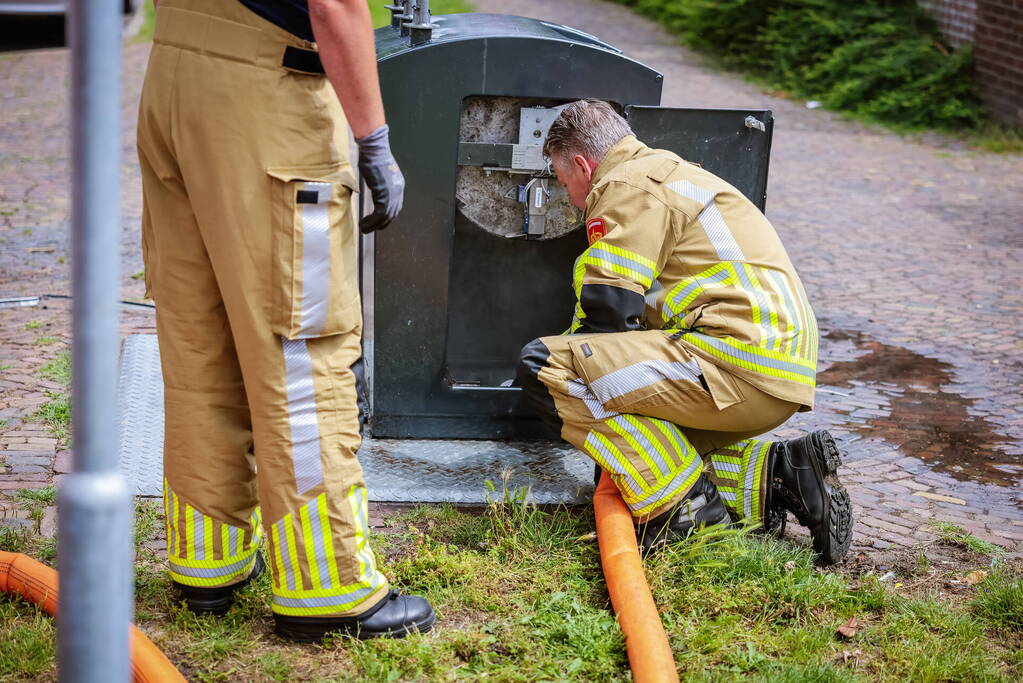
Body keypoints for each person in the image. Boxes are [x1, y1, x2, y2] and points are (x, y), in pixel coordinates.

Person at [136, 0, 434, 641]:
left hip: (173, 77)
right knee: (302, 344)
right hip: (267, 97)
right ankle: (326, 585)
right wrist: (373, 140)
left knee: (199, 334)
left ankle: (206, 558)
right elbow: (336, 5)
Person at [517, 99, 852, 563]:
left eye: (562, 180)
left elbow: (608, 312)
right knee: (647, 438)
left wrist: (583, 420)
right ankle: (780, 474)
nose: (569, 196)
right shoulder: (672, 173)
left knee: (544, 367)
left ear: (581, 164)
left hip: (732, 361)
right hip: (774, 368)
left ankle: (689, 516)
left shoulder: (624, 185)